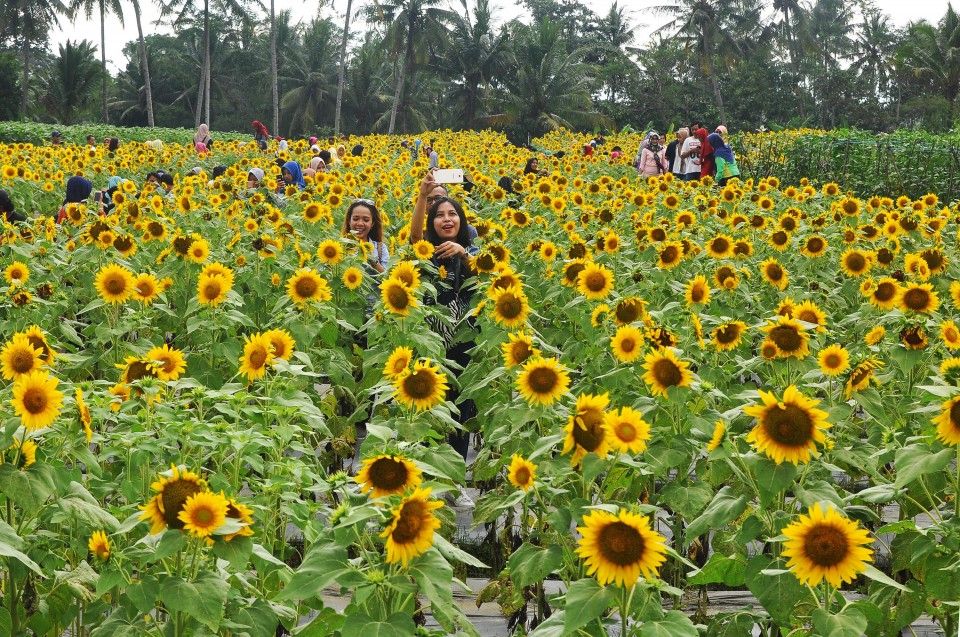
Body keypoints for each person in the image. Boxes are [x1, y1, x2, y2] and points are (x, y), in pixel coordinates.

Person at [410, 172, 479, 502]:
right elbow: (413, 240)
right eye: (440, 215)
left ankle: (456, 482)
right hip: (431, 344)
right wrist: (424, 198)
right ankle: (429, 479)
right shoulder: (426, 252)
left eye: (452, 214)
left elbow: (491, 276)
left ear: (461, 220)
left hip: (465, 343)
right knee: (430, 410)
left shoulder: (474, 250)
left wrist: (464, 254)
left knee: (460, 413)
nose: (446, 219)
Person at [343, 199, 388, 274]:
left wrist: (370, 258)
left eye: (366, 220)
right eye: (355, 219)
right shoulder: (340, 247)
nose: (360, 223)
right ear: (349, 221)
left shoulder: (380, 248)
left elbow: (386, 278)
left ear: (372, 224)